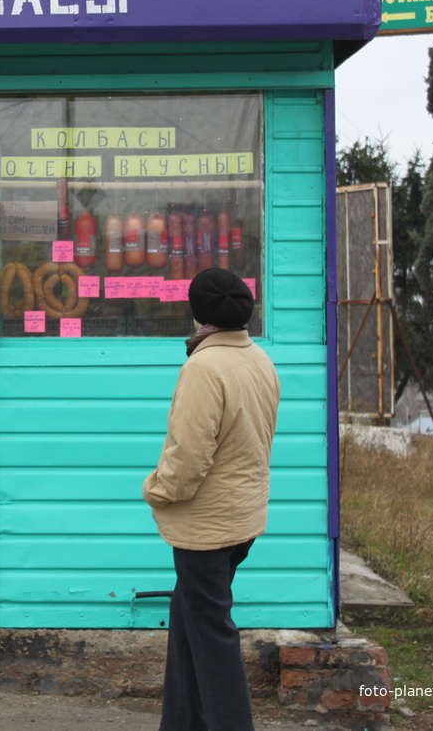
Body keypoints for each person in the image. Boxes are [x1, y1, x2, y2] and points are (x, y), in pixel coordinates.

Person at [142, 267, 280, 731]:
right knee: (189, 623)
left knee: (213, 639)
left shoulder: (203, 368)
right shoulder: (258, 359)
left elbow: (187, 461)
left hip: (206, 528)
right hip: (241, 520)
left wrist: (154, 490)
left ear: (198, 313)